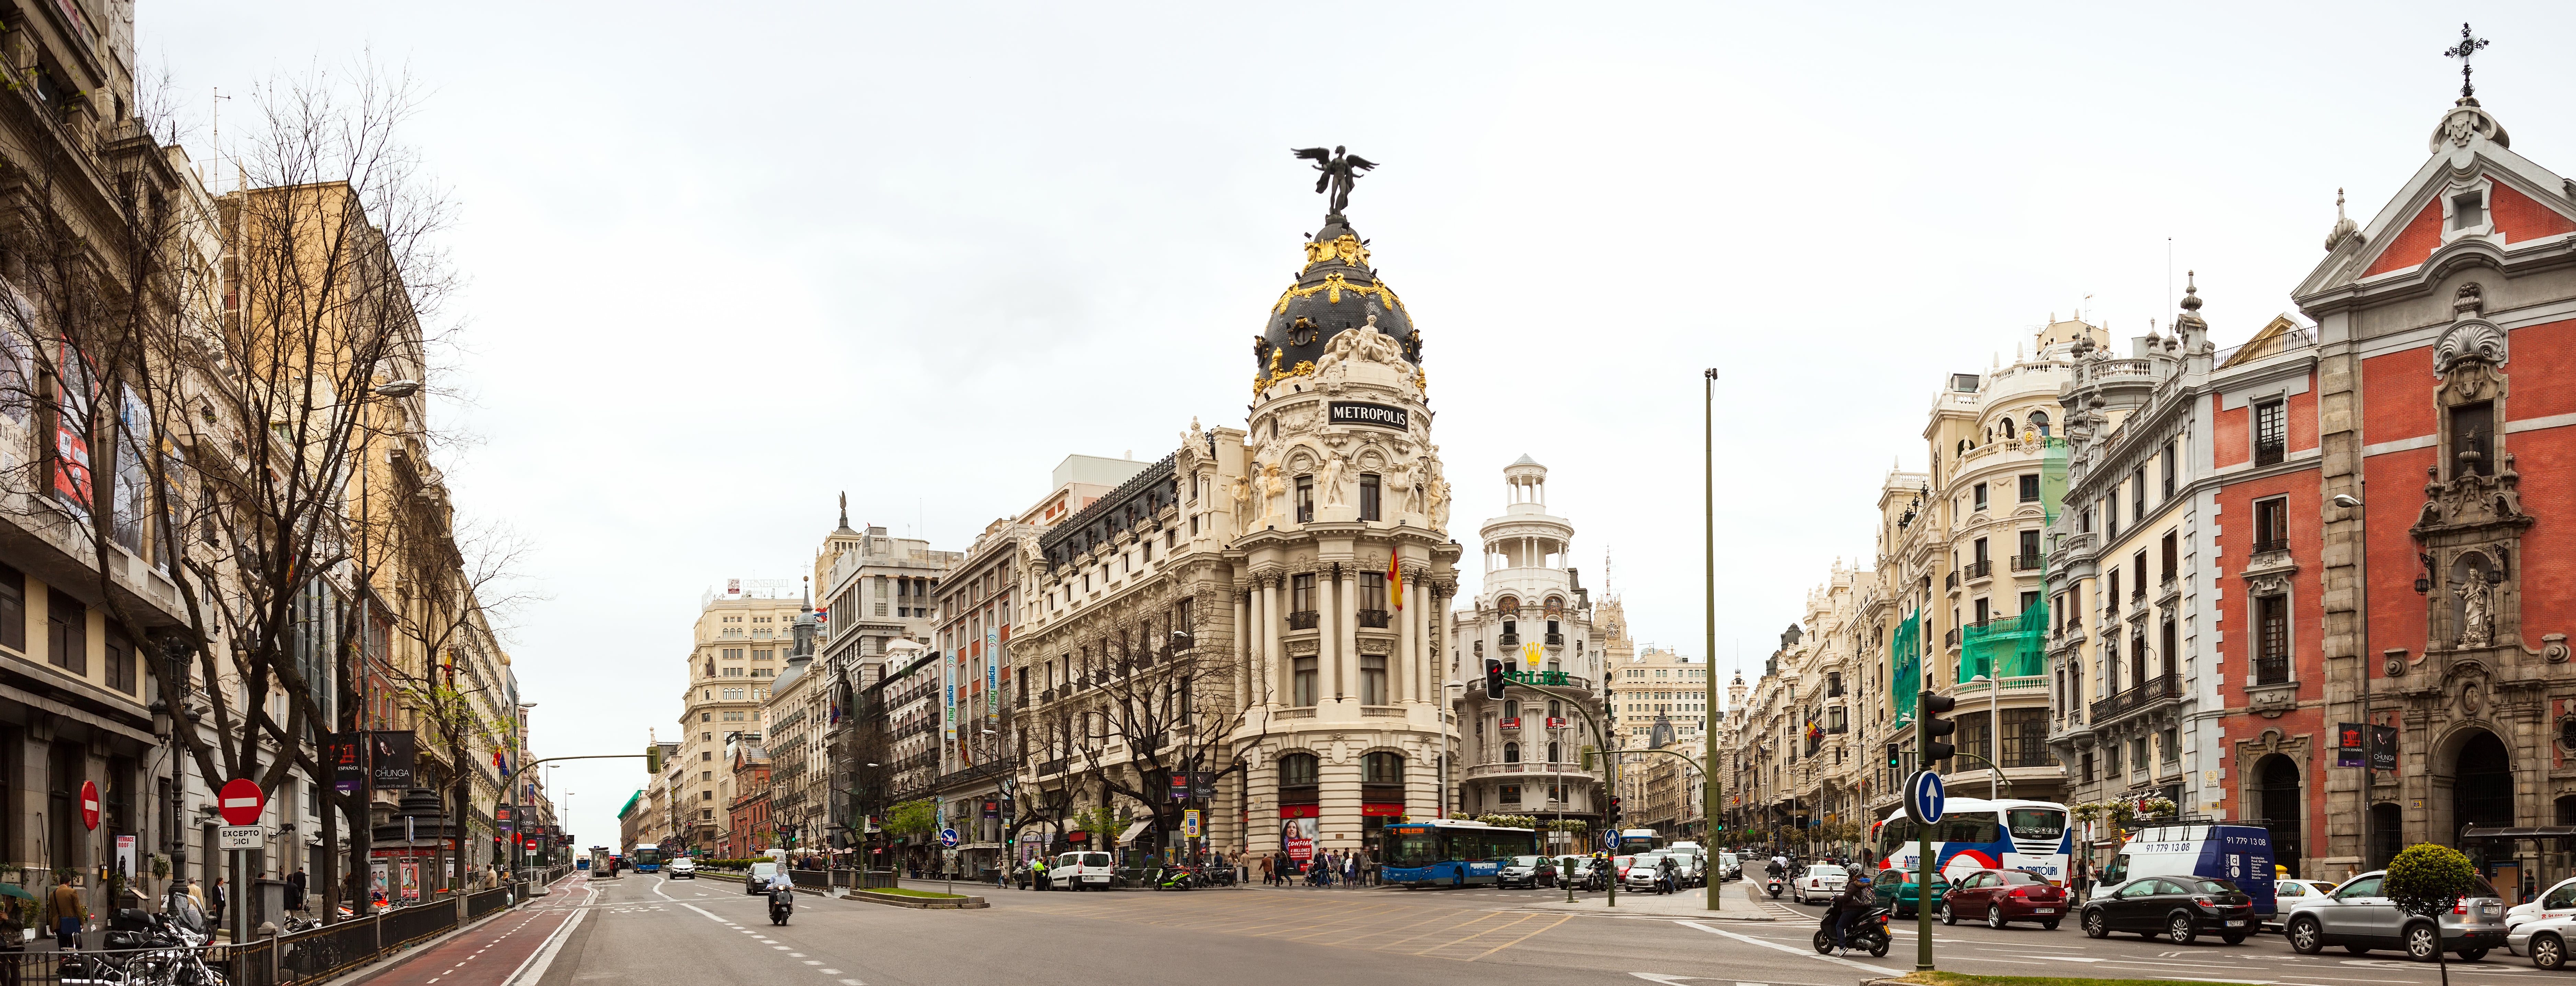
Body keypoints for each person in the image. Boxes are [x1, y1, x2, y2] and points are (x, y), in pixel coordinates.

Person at [1826, 874, 1875, 956]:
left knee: (1840, 926)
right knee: (1849, 926)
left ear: (1853, 875)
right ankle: (1850, 938)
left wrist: (1836, 898)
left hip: (1852, 909)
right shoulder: (1864, 882)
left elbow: (1846, 898)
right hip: (1862, 909)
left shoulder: (1853, 884)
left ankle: (1842, 947)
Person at [48, 875, 82, 950]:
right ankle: (71, 960)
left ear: (60, 883)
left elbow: (51, 912)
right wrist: (82, 922)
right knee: (72, 945)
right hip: (70, 924)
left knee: (62, 946)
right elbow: (78, 909)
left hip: (58, 925)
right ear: (68, 883)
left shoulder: (52, 894)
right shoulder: (72, 892)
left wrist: (51, 926)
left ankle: (63, 960)